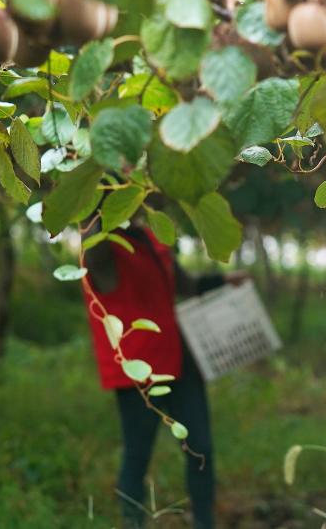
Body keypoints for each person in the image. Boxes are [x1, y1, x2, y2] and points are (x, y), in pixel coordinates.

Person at [82, 218, 247, 529]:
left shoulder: (150, 235)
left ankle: (204, 522)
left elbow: (186, 285)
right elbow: (94, 249)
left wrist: (225, 280)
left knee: (201, 447)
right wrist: (95, 183)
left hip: (180, 362)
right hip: (137, 370)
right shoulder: (102, 246)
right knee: (137, 454)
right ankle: (133, 522)